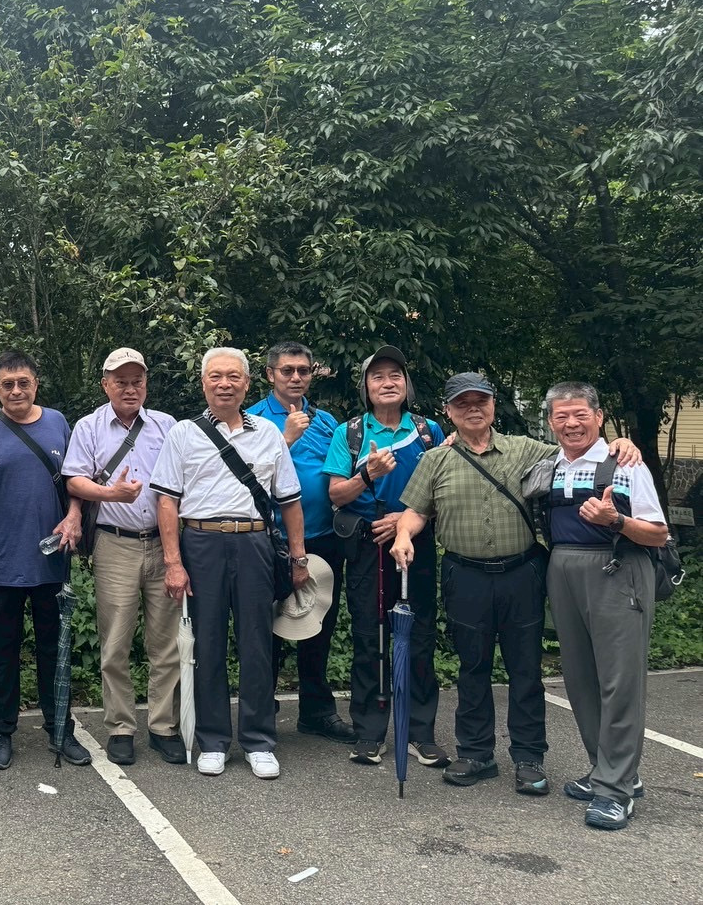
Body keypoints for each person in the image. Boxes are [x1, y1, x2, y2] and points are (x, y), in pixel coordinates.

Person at [391, 372, 640, 795]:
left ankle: (528, 756)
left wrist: (621, 444)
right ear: (448, 411)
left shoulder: (528, 450)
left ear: (493, 405)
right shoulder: (435, 459)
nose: (473, 409)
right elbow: (417, 510)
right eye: (462, 403)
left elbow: (579, 449)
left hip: (522, 573)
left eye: (480, 401)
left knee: (525, 668)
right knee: (472, 667)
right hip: (464, 574)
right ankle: (476, 753)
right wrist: (403, 535)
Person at [151, 347, 309, 780]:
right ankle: (214, 740)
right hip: (201, 543)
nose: (225, 384)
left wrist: (298, 557)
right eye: (216, 376)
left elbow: (290, 501)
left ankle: (259, 741)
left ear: (247, 383)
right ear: (204, 382)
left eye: (233, 376)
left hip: (255, 542)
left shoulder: (268, 433)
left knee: (257, 642)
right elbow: (166, 502)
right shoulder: (183, 433)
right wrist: (173, 562)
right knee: (207, 643)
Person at [542, 382, 669, 830]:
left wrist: (615, 519)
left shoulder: (626, 464)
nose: (571, 423)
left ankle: (617, 791)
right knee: (580, 680)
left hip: (617, 570)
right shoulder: (549, 463)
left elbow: (658, 533)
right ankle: (607, 770)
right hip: (563, 570)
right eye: (561, 416)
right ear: (550, 422)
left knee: (619, 682)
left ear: (598, 417)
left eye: (580, 414)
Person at [321, 345, 447, 770]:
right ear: (366, 388)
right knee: (369, 637)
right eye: (378, 376)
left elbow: (442, 491)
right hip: (367, 546)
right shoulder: (351, 433)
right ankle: (369, 733)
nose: (388, 382)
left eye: (396, 375)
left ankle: (420, 733)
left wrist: (406, 520)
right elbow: (336, 494)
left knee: (420, 637)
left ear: (407, 384)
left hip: (416, 543)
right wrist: (367, 473)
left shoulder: (429, 431)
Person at [0, 351, 88, 770]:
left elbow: (74, 480)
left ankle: (60, 728)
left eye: (23, 382)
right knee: (1, 651)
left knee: (55, 649)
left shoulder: (57, 423)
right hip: (1, 559)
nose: (16, 390)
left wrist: (75, 515)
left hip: (51, 557)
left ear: (36, 383)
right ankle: (1, 732)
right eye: (8, 384)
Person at [63, 347, 183, 767]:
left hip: (165, 544)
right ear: (105, 385)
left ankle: (164, 726)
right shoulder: (89, 426)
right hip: (115, 543)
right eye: (121, 381)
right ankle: (120, 727)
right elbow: (74, 480)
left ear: (146, 384)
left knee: (165, 642)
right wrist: (110, 493)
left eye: (137, 381)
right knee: (115, 641)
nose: (130, 388)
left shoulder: (168, 426)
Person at [247, 341, 353, 743]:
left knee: (318, 626)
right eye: (287, 370)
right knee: (266, 630)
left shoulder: (327, 422)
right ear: (270, 374)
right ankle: (262, 713)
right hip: (269, 540)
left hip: (323, 539)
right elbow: (245, 480)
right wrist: (285, 438)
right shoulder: (251, 419)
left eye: (303, 371)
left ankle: (317, 711)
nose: (295, 377)